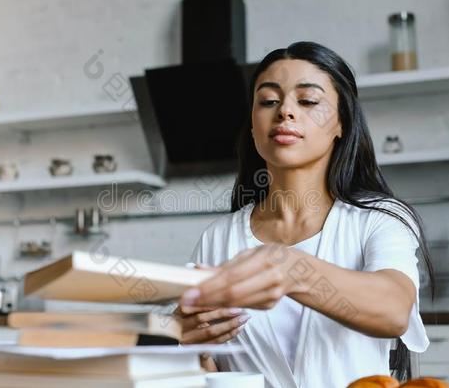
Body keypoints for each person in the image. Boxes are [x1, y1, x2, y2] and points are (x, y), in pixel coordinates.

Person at [177, 41, 432, 388]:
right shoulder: (218, 239)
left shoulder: (378, 219)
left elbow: (394, 310)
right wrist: (189, 349)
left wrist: (288, 268)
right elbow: (208, 371)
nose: (285, 111)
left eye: (308, 101)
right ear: (253, 127)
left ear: (341, 123)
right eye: (268, 101)